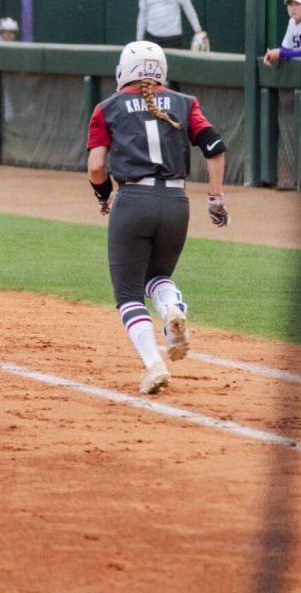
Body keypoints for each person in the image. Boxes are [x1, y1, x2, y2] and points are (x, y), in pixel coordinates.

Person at [85, 41, 229, 395]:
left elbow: (97, 167)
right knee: (159, 276)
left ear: (125, 71)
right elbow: (214, 146)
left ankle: (154, 364)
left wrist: (103, 196)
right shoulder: (185, 102)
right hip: (177, 201)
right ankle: (171, 311)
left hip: (134, 200)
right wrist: (214, 197)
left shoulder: (108, 108)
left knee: (128, 294)